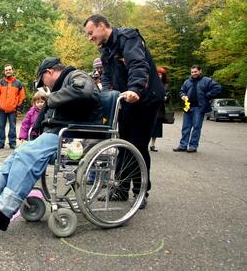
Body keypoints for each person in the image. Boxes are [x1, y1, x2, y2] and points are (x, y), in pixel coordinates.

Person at [0, 57, 102, 231]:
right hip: (64, 134)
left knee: (28, 154)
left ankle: (3, 211)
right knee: (22, 151)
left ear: (49, 72)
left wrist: (51, 99)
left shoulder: (76, 76)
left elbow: (86, 92)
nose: (45, 87)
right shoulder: (66, 82)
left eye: (43, 81)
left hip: (79, 137)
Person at [84, 14, 165, 208]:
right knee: (122, 144)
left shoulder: (128, 38)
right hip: (126, 100)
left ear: (102, 26)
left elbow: (138, 64)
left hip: (145, 98)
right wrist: (107, 94)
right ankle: (120, 189)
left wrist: (135, 89)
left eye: (91, 32)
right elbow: (106, 77)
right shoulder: (105, 50)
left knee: (137, 145)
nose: (89, 37)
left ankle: (140, 192)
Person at [173, 65, 221, 153]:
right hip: (188, 107)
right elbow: (182, 91)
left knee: (196, 127)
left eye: (195, 72)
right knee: (185, 127)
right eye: (192, 72)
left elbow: (217, 88)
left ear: (200, 71)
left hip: (199, 108)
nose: (194, 74)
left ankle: (193, 146)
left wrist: (207, 95)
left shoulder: (207, 80)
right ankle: (183, 145)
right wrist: (182, 95)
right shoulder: (187, 82)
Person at [0, 64, 25, 149]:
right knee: (1, 126)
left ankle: (12, 143)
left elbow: (22, 97)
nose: (8, 71)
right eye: (6, 70)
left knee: (13, 127)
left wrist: (19, 109)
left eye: (9, 69)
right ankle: (0, 143)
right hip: (1, 109)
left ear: (12, 70)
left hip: (13, 109)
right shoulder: (0, 82)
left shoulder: (18, 83)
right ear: (4, 72)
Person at [149, 67, 170, 152]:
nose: (159, 76)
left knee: (156, 127)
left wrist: (166, 98)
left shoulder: (166, 85)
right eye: (157, 74)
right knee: (148, 126)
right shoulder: (151, 83)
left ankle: (153, 145)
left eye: (161, 74)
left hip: (159, 109)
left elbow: (168, 98)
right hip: (150, 107)